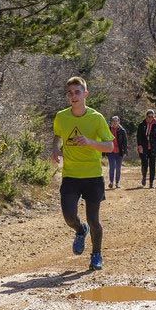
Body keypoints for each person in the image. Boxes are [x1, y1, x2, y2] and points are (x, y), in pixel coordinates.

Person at [52, 76, 114, 271]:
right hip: (70, 175)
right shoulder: (62, 116)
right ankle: (80, 230)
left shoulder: (96, 118)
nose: (73, 96)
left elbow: (110, 146)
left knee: (93, 219)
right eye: (70, 93)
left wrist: (90, 142)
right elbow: (57, 135)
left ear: (85, 94)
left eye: (77, 92)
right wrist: (55, 149)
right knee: (69, 216)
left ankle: (96, 254)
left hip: (92, 176)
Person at [136, 109, 156, 188]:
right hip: (144, 147)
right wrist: (139, 145)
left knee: (152, 165)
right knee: (144, 164)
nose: (150, 118)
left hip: (153, 147)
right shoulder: (141, 124)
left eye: (152, 116)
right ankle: (144, 176)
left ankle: (151, 183)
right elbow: (138, 136)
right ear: (146, 116)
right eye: (149, 116)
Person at [106, 116, 128, 189]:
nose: (115, 123)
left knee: (118, 168)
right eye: (113, 121)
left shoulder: (122, 130)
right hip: (111, 151)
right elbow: (104, 139)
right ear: (111, 122)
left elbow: (125, 142)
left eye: (116, 121)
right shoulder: (108, 129)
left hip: (119, 152)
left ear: (119, 122)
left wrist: (125, 151)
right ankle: (111, 182)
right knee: (112, 167)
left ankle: (117, 183)